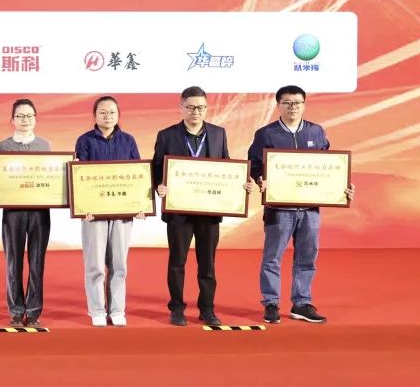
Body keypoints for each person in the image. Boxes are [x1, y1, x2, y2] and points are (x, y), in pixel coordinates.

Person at [247, 85, 356, 324]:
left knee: (307, 256)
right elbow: (254, 163)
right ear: (278, 105)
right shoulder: (266, 134)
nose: (292, 107)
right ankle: (271, 302)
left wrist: (343, 187)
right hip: (278, 208)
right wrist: (259, 178)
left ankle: (301, 303)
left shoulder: (316, 131)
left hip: (310, 209)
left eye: (297, 102)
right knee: (272, 257)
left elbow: (330, 166)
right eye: (287, 103)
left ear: (304, 105)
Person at [152, 85, 253, 327]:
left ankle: (207, 308)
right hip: (179, 211)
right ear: (181, 108)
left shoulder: (218, 133)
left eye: (200, 107)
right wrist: (158, 186)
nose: (195, 112)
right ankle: (177, 308)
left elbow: (227, 165)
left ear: (206, 108)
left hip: (209, 211)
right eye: (190, 107)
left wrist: (242, 182)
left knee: (207, 263)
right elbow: (155, 169)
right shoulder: (166, 135)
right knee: (177, 262)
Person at [74, 96, 142, 327]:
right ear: (95, 115)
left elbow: (138, 175)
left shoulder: (128, 140)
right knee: (94, 265)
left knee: (119, 264)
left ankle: (117, 309)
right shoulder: (84, 140)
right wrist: (82, 207)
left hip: (122, 213)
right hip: (93, 214)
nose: (108, 116)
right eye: (102, 112)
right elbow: (80, 177)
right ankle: (97, 310)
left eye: (112, 112)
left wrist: (140, 205)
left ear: (118, 115)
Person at [0, 99, 52, 327]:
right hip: (13, 212)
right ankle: (16, 310)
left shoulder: (45, 145)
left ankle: (34, 311)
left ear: (35, 119)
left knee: (37, 262)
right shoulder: (3, 146)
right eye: (20, 116)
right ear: (12, 120)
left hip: (40, 210)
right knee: (13, 262)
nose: (25, 120)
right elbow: (0, 180)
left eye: (29, 115)